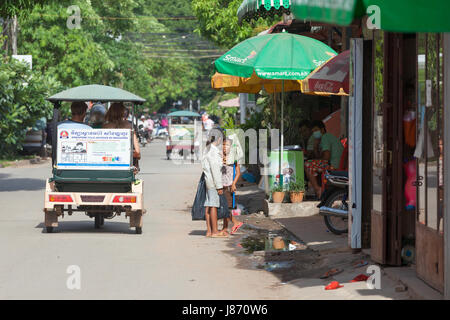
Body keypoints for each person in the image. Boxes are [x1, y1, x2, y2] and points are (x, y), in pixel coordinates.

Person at [304, 120, 343, 198]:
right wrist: (315, 147)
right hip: (335, 163)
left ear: (322, 129)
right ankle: (316, 188)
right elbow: (321, 157)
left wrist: (317, 159)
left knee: (307, 164)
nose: (314, 133)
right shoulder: (325, 138)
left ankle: (317, 189)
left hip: (333, 165)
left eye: (316, 130)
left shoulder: (325, 137)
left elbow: (326, 157)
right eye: (313, 131)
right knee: (312, 164)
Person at [202, 128, 227, 238]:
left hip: (209, 181)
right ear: (220, 139)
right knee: (213, 206)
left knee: (209, 205)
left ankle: (209, 231)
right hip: (213, 182)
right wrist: (219, 186)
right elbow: (215, 170)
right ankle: (215, 231)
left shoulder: (208, 149)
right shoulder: (213, 151)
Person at [103, 102, 141, 170]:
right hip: (126, 167)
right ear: (123, 113)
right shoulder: (129, 127)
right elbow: (137, 152)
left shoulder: (104, 127)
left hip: (108, 164)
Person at [219, 138, 244, 236]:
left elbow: (238, 172)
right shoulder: (220, 157)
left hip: (229, 186)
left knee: (226, 208)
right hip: (221, 185)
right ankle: (225, 228)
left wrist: (234, 183)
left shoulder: (233, 158)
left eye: (227, 145)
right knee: (223, 208)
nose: (225, 147)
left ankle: (234, 223)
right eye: (223, 145)